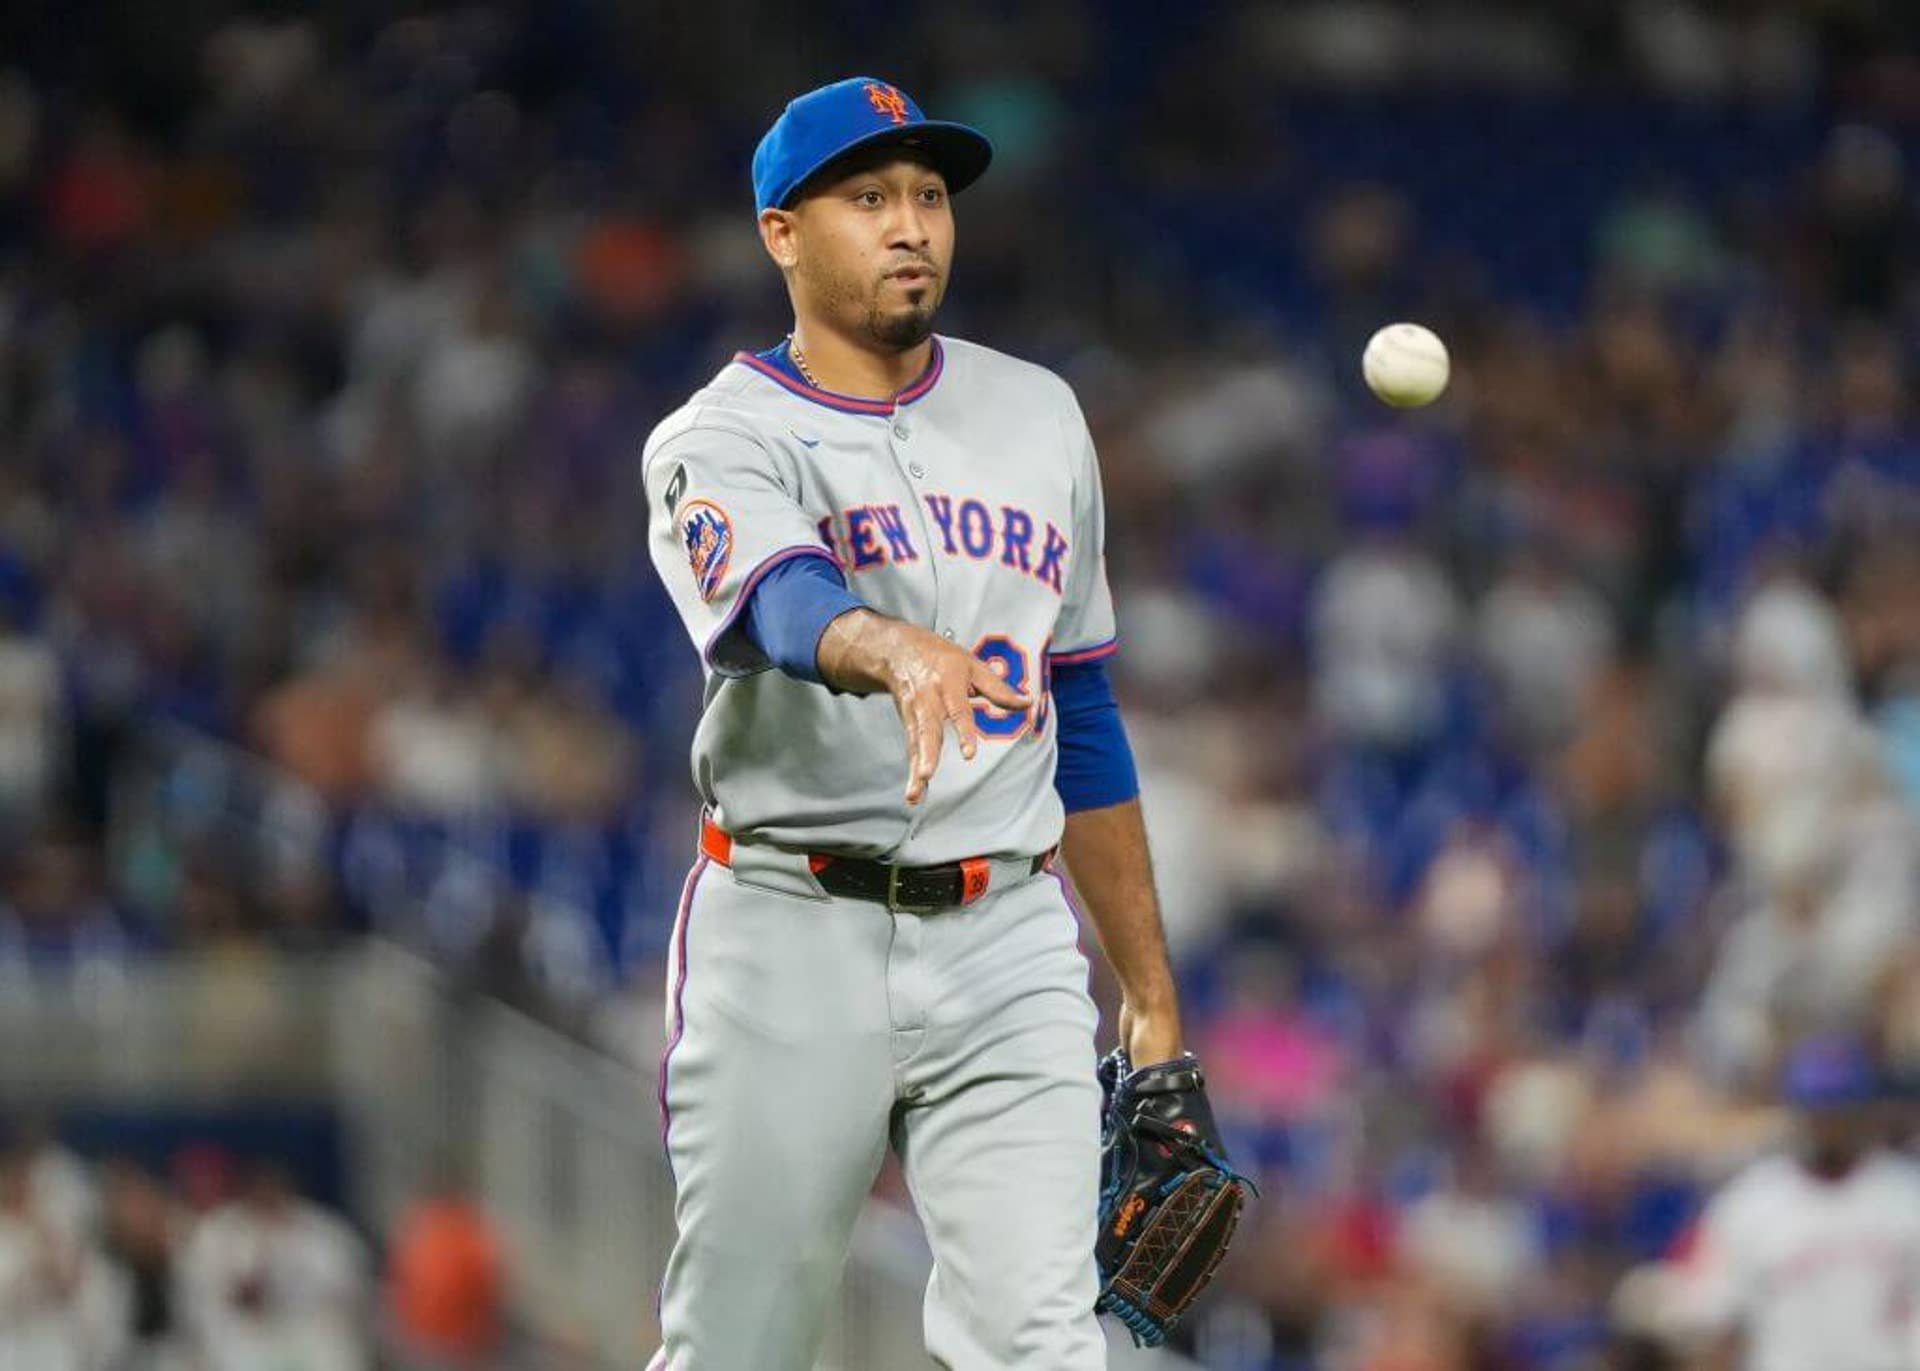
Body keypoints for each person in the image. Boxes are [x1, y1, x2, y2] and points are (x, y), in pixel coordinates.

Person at [640, 76, 1219, 1369]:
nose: (912, 225)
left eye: (929, 195)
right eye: (868, 197)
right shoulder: (718, 436)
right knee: (739, 1346)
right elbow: (778, 600)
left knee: (1047, 1344)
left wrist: (1151, 994)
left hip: (1007, 935)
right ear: (782, 233)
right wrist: (885, 644)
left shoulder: (1038, 413)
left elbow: (1079, 707)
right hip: (794, 923)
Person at [1675, 1038, 1920, 1371]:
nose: (1830, 1126)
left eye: (1841, 1110)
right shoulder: (1749, 1202)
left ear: (1865, 1112)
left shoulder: (1906, 1194)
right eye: (1819, 1110)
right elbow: (1721, 1324)